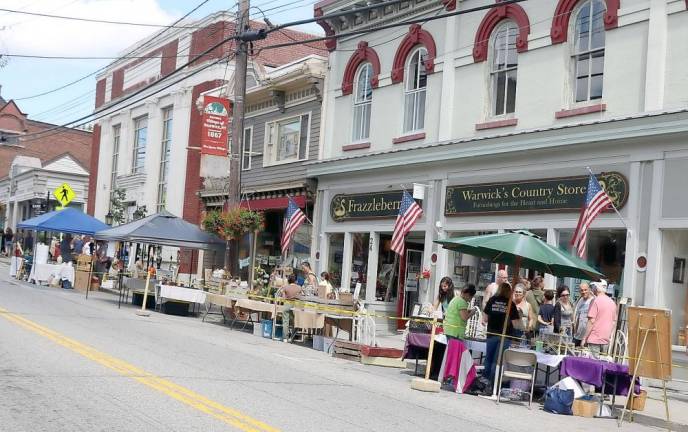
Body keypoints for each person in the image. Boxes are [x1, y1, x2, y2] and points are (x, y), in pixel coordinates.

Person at [483, 282, 523, 386]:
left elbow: (485, 319)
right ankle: (493, 385)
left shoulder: (491, 300)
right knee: (497, 361)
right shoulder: (510, 304)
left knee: (488, 359)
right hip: (505, 336)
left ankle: (484, 382)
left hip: (491, 334)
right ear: (509, 292)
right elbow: (515, 324)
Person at [582, 280, 617, 357]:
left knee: (593, 365)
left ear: (596, 288)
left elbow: (591, 321)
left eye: (593, 287)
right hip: (605, 339)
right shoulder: (612, 302)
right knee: (602, 364)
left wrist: (584, 338)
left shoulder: (596, 301)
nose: (592, 289)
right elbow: (613, 322)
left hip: (594, 338)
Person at [281, 273, 303, 342]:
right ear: (295, 280)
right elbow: (301, 297)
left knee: (285, 321)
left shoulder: (285, 287)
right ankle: (292, 337)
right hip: (295, 305)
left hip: (287, 304)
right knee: (294, 322)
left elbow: (283, 298)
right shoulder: (299, 288)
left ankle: (285, 338)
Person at [572, 282, 594, 347]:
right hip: (578, 336)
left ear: (589, 289)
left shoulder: (594, 300)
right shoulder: (580, 300)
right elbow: (578, 316)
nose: (583, 292)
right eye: (581, 290)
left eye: (585, 290)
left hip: (587, 337)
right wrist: (575, 331)